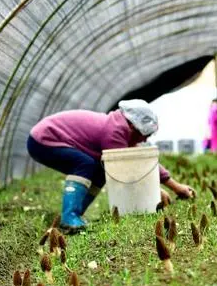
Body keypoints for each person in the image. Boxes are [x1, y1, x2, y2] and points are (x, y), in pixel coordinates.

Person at [27, 99, 195, 232]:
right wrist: (153, 189)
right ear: (133, 125)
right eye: (144, 134)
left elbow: (143, 163)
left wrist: (176, 187)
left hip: (46, 139)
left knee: (100, 171)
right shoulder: (115, 131)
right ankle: (69, 217)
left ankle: (76, 215)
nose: (144, 139)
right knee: (84, 164)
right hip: (43, 140)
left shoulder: (123, 130)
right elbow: (127, 169)